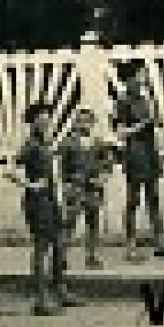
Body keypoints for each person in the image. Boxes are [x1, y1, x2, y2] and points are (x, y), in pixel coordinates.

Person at [7, 100, 78, 315]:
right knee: (42, 248)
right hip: (38, 202)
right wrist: (31, 185)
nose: (46, 119)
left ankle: (60, 290)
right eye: (41, 116)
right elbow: (11, 169)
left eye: (48, 115)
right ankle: (41, 299)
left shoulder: (46, 143)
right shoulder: (31, 145)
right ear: (33, 120)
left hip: (51, 199)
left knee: (59, 245)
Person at [111, 67, 164, 259]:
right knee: (133, 199)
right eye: (140, 75)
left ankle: (159, 239)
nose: (143, 78)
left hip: (149, 149)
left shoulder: (145, 98)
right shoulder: (122, 101)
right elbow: (121, 132)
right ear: (130, 78)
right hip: (135, 151)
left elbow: (153, 122)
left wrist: (153, 124)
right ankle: (130, 243)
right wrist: (142, 125)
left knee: (154, 197)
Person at [57, 107, 114, 270]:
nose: (84, 124)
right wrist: (67, 185)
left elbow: (108, 164)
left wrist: (102, 178)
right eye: (81, 121)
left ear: (93, 123)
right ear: (75, 123)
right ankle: (61, 257)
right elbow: (62, 167)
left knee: (93, 223)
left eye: (88, 121)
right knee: (69, 224)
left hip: (93, 189)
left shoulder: (98, 143)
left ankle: (91, 256)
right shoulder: (68, 143)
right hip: (75, 188)